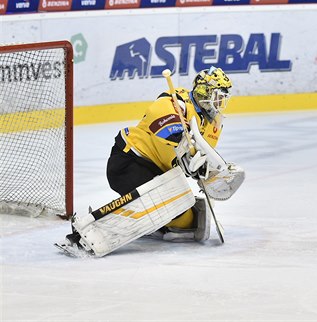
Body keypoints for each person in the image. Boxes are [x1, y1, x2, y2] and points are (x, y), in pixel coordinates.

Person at [59, 67, 242, 257]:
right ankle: (86, 231)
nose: (221, 103)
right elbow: (160, 120)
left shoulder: (213, 125)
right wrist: (181, 139)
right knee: (161, 206)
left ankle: (151, 223)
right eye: (218, 96)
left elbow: (197, 159)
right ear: (204, 92)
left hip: (161, 176)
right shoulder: (178, 101)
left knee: (187, 222)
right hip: (130, 160)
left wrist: (206, 170)